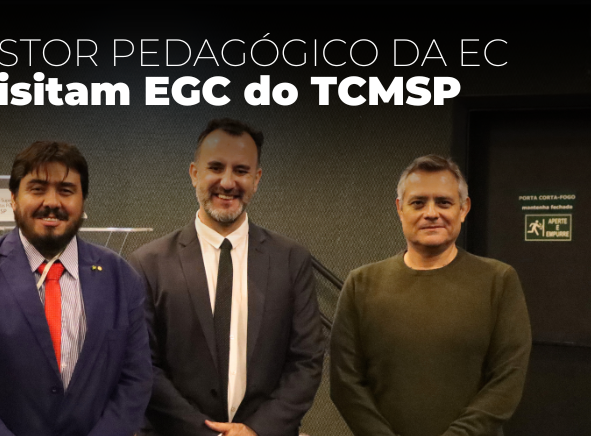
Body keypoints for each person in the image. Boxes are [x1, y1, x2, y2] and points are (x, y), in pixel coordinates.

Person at [129, 118, 324, 436]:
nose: (228, 182)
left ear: (256, 179)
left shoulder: (292, 260)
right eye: (216, 168)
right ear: (194, 173)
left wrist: (257, 430)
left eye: (241, 170)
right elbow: (142, 364)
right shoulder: (148, 264)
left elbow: (306, 361)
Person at [0, 141, 151, 436]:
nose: (52, 202)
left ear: (83, 201)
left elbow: (135, 380)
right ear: (13, 198)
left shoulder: (121, 277)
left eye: (66, 190)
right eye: (37, 189)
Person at [330, 155, 532, 436]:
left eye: (444, 202)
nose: (431, 213)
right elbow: (345, 383)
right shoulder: (361, 284)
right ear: (400, 209)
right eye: (418, 203)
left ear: (464, 208)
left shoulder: (498, 281)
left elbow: (507, 381)